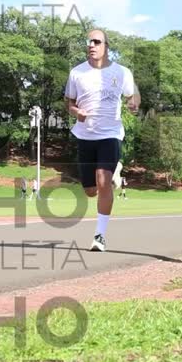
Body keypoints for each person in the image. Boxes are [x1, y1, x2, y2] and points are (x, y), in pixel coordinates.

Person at [64, 29, 140, 251]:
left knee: (102, 180)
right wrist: (76, 111)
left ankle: (99, 236)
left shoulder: (121, 72)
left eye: (96, 41)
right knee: (90, 190)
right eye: (88, 41)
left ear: (106, 46)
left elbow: (133, 94)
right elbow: (68, 102)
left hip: (110, 134)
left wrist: (134, 103)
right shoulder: (77, 73)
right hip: (85, 136)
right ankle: (113, 174)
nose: (91, 45)